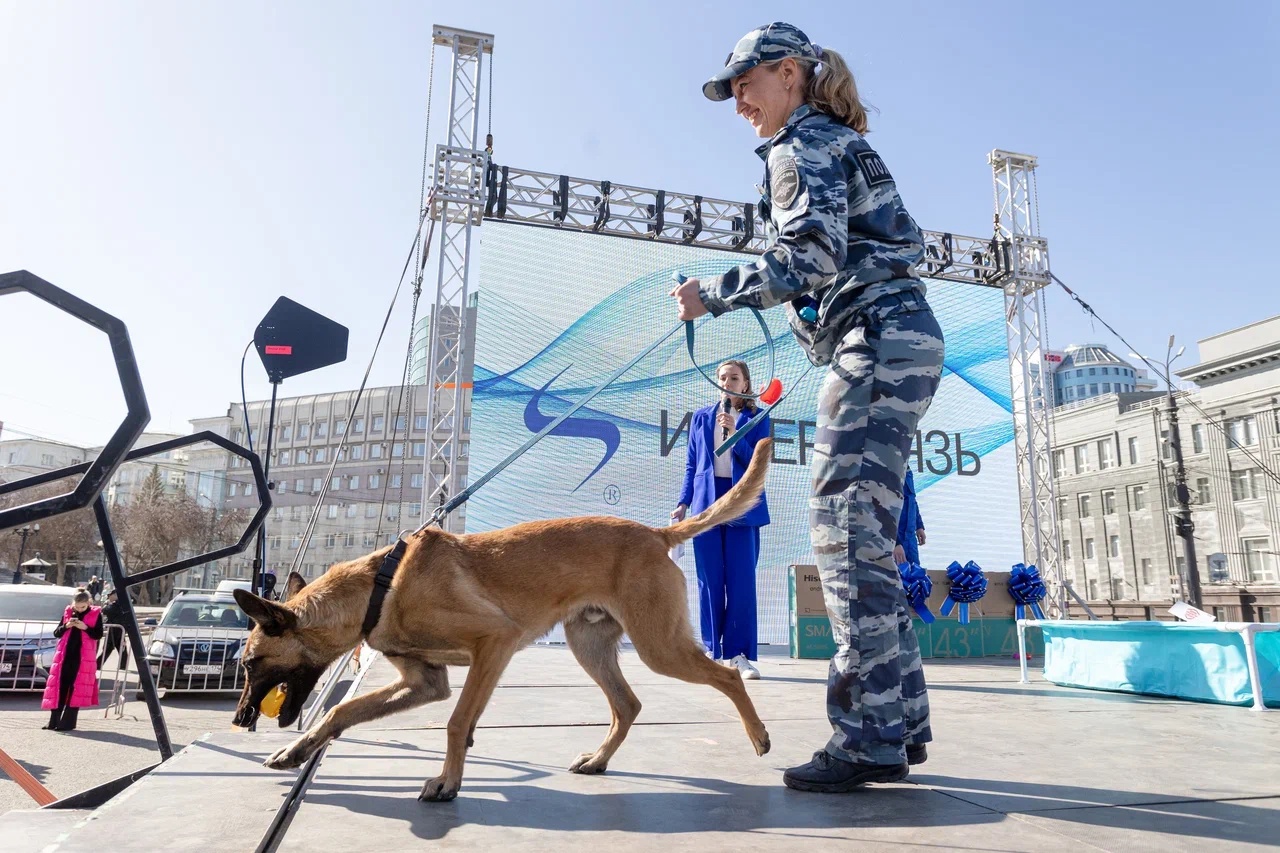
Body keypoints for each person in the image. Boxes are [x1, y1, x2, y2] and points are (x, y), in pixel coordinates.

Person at [671, 22, 945, 792]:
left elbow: (811, 256)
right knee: (867, 538)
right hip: (898, 335)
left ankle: (865, 738)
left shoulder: (801, 145)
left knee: (842, 536)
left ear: (787, 72)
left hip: (878, 337)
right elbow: (838, 260)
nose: (737, 103)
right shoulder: (836, 139)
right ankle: (899, 724)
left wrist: (712, 298)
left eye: (745, 84)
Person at [672, 359, 771, 680]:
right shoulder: (701, 417)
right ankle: (713, 652)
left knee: (741, 582)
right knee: (709, 580)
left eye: (734, 378)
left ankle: (739, 655)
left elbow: (756, 460)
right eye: (723, 377)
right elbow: (692, 464)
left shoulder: (759, 418)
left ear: (746, 384)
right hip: (706, 506)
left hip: (742, 503)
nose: (727, 382)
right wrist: (683, 502)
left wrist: (735, 430)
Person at [42, 589, 103, 731]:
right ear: (73, 603)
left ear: (88, 603)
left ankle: (68, 722)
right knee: (59, 687)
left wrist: (85, 627)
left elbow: (98, 634)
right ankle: (53, 721)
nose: (79, 609)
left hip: (82, 658)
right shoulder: (68, 612)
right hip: (64, 656)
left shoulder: (95, 614)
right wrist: (67, 626)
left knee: (77, 689)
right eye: (77, 606)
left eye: (83, 606)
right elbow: (57, 633)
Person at [893, 469, 927, 567]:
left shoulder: (907, 470)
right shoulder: (888, 467)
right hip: (895, 537)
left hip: (910, 538)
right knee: (896, 577)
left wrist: (919, 526)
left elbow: (912, 499)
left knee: (916, 576)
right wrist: (895, 542)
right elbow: (882, 508)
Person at [96, 589, 130, 670]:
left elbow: (106, 610)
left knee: (108, 648)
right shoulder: (122, 603)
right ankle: (123, 666)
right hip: (118, 628)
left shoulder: (117, 604)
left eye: (110, 596)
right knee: (120, 647)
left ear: (115, 595)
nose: (109, 597)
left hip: (115, 629)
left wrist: (107, 604)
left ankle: (97, 665)